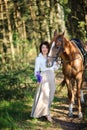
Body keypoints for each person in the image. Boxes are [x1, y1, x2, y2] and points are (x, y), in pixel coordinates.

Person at [30, 41, 60, 122]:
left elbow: (54, 68)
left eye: (46, 48)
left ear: (48, 49)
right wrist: (38, 79)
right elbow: (36, 70)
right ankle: (47, 114)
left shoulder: (51, 57)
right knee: (45, 95)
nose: (44, 49)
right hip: (44, 77)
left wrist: (58, 63)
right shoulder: (38, 58)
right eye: (43, 47)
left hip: (52, 76)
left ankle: (45, 112)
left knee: (51, 95)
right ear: (40, 48)